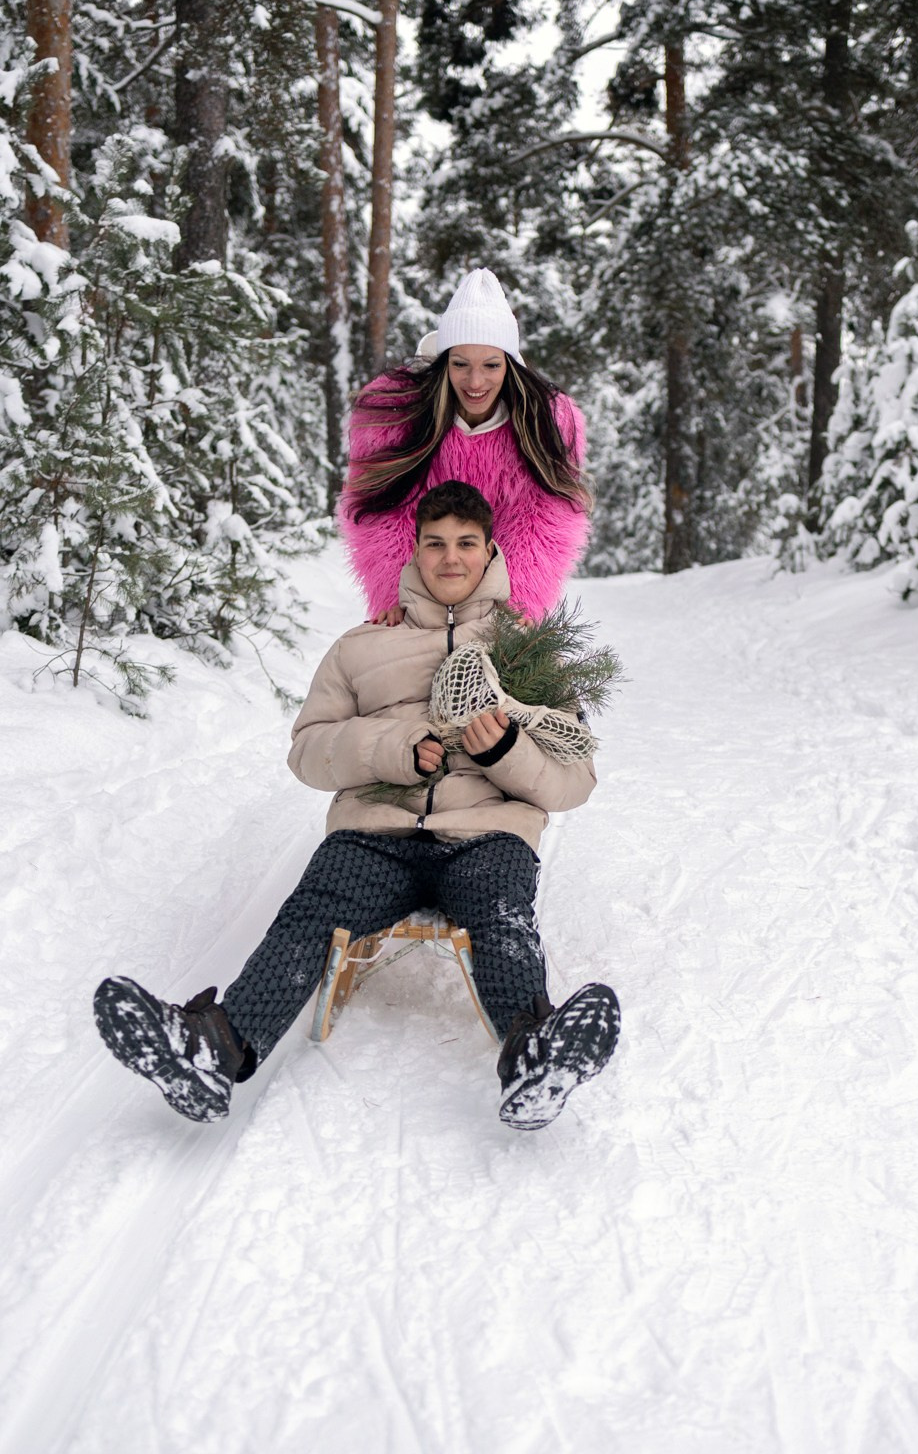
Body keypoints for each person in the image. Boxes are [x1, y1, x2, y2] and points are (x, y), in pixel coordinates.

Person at [93, 481, 620, 1133]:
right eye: (435, 544)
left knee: (502, 916)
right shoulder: (360, 647)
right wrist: (391, 748)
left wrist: (505, 748)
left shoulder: (530, 652)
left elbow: (574, 783)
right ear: (414, 551)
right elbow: (308, 752)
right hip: (374, 835)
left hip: (487, 834)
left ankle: (535, 1059)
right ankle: (212, 1051)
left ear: (489, 553)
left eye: (465, 544)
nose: (450, 558)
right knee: (312, 911)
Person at [339, 269, 591, 623]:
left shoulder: (545, 422)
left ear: (510, 365)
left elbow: (546, 519)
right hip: (418, 584)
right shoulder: (394, 415)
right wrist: (399, 597)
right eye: (460, 364)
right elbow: (377, 509)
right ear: (444, 363)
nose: (475, 382)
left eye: (490, 365)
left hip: (497, 587)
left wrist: (513, 604)